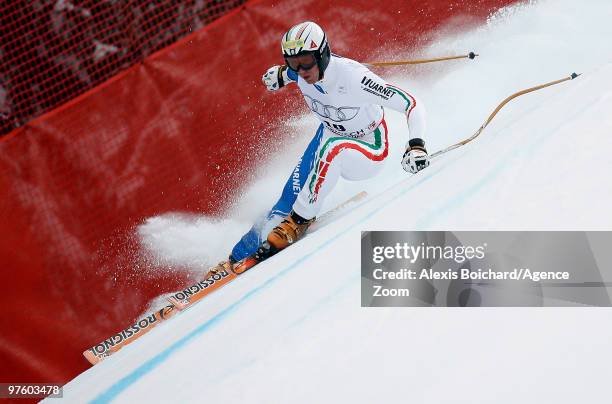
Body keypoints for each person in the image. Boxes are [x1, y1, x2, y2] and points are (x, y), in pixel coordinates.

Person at [214, 21, 430, 273]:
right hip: (328, 137)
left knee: (332, 148)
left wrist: (416, 145)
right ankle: (236, 257)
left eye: (306, 61)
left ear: (323, 54)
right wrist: (280, 75)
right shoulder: (300, 71)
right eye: (294, 62)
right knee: (286, 197)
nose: (301, 70)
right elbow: (288, 73)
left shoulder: (354, 77)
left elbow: (411, 103)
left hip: (369, 149)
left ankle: (299, 220)